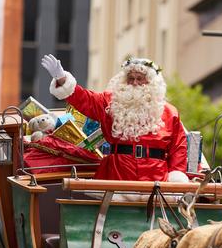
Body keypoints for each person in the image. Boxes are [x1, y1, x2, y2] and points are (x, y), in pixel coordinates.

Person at [41, 54, 189, 182]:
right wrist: (62, 78)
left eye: (140, 78)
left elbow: (178, 148)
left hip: (156, 177)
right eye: (131, 78)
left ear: (151, 83)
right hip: (118, 173)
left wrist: (177, 177)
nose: (135, 83)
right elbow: (84, 99)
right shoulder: (111, 102)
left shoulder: (170, 112)